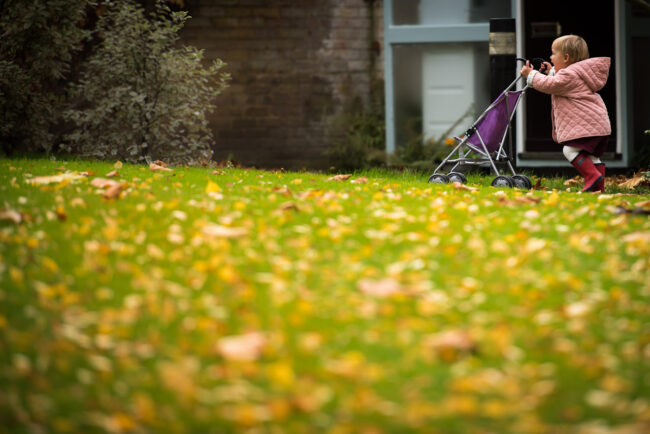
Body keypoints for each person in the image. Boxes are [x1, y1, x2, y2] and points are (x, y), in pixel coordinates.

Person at [520, 35, 611, 193]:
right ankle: (598, 189)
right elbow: (560, 83)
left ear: (566, 57)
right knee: (592, 157)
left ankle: (591, 177)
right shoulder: (579, 73)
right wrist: (552, 71)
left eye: (554, 53)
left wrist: (531, 75)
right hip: (598, 125)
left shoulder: (569, 75)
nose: (550, 56)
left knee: (569, 150)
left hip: (587, 125)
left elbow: (551, 84)